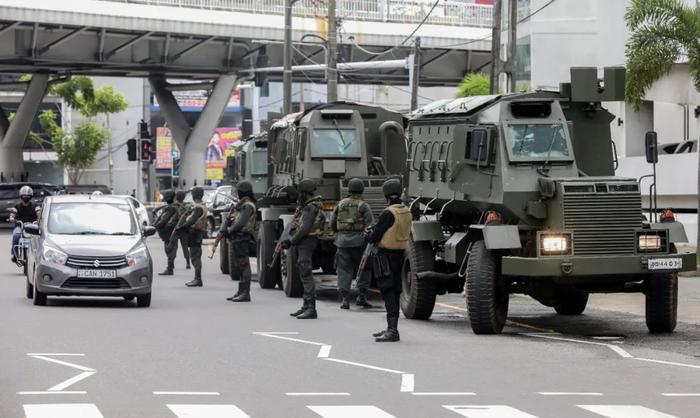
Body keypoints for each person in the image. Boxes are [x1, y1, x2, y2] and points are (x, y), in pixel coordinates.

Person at [366, 179, 411, 342]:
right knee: (395, 291)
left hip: (385, 256)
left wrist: (367, 235)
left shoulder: (388, 213)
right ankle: (391, 328)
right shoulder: (406, 210)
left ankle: (392, 330)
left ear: (385, 194)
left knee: (388, 292)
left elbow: (375, 236)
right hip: (400, 255)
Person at [282, 179, 325, 319]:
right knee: (303, 271)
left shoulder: (309, 207)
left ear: (304, 193)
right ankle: (306, 306)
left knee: (306, 273)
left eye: (301, 193)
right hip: (308, 241)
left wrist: (291, 241)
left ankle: (311, 308)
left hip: (306, 241)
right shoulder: (313, 205)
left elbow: (304, 229)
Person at [330, 178, 374, 310]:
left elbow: (333, 223)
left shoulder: (341, 204)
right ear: (361, 190)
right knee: (364, 269)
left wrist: (339, 234)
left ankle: (345, 300)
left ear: (349, 190)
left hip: (342, 242)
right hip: (360, 243)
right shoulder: (363, 205)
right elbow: (370, 224)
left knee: (344, 270)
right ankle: (361, 296)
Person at [224, 181, 257, 302]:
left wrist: (229, 230)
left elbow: (241, 222)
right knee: (239, 265)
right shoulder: (243, 204)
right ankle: (240, 291)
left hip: (243, 237)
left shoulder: (248, 206)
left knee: (244, 264)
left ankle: (245, 293)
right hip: (238, 237)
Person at [174, 187, 208, 287]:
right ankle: (197, 279)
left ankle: (198, 279)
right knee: (196, 256)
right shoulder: (202, 206)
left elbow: (192, 220)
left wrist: (181, 227)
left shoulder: (198, 208)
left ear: (194, 196)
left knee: (195, 257)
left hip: (195, 233)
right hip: (197, 233)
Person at [152, 190, 179, 275]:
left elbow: (164, 220)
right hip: (169, 233)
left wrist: (156, 226)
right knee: (170, 250)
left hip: (170, 233)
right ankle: (170, 267)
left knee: (170, 250)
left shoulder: (171, 208)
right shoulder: (171, 207)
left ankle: (170, 268)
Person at [9, 186, 38, 263]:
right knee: (15, 236)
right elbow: (13, 213)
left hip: (33, 227)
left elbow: (39, 212)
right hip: (20, 227)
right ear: (21, 196)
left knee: (39, 239)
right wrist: (12, 218)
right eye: (24, 196)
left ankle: (39, 255)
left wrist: (40, 217)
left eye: (28, 196)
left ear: (31, 196)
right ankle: (15, 255)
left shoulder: (35, 205)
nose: (26, 198)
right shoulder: (17, 206)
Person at [174, 191, 191, 269]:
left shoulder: (174, 206)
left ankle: (171, 263)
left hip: (176, 228)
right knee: (185, 246)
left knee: (173, 246)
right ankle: (188, 262)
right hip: (183, 228)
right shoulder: (187, 206)